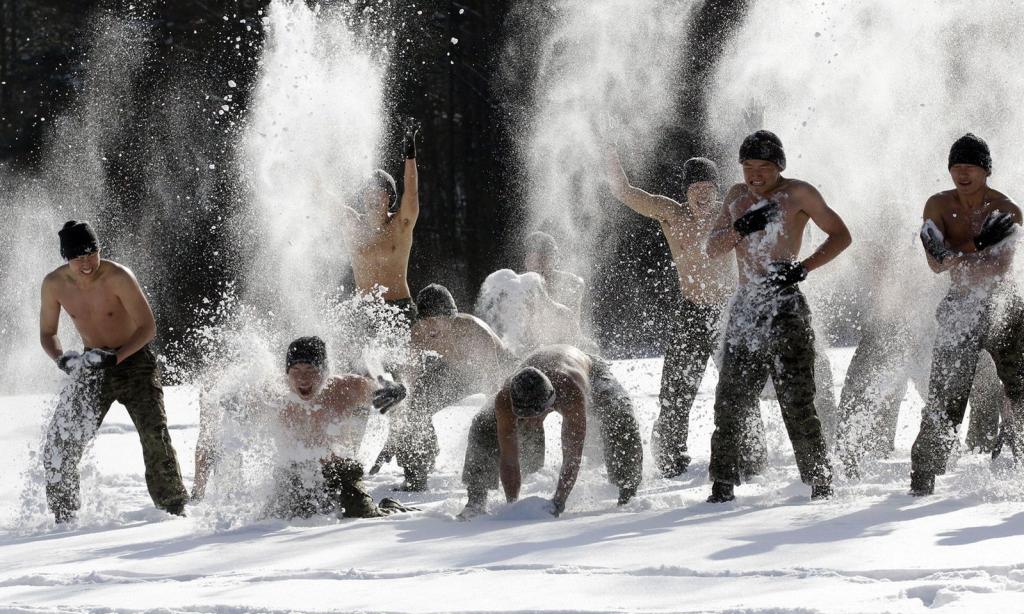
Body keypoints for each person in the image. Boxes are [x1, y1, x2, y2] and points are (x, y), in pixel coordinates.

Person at [704, 130, 851, 503]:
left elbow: (841, 235)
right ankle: (721, 485)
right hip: (745, 306)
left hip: (784, 304)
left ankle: (820, 482)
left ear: (779, 167)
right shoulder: (737, 197)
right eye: (747, 167)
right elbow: (711, 249)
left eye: (764, 168)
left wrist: (803, 268)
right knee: (730, 400)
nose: (754, 175)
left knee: (796, 398)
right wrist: (740, 227)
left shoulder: (798, 193)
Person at [39, 221, 189, 523]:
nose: (86, 263)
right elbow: (47, 333)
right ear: (65, 258)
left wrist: (118, 357)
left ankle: (172, 506)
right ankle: (63, 513)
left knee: (153, 433)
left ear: (99, 249)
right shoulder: (54, 284)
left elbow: (148, 328)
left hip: (133, 360)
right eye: (78, 257)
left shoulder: (118, 276)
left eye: (92, 253)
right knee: (60, 439)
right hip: (92, 364)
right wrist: (60, 358)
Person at [606, 149, 734, 477]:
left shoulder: (729, 215)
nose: (703, 198)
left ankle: (748, 456)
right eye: (696, 191)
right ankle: (670, 460)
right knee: (675, 392)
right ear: (685, 193)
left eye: (709, 190)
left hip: (727, 314)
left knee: (737, 389)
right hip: (690, 312)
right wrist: (610, 151)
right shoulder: (671, 214)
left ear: (718, 191)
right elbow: (624, 192)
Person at [910, 134, 1024, 496]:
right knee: (945, 394)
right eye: (956, 167)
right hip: (960, 305)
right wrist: (975, 246)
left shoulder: (1007, 209)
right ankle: (922, 477)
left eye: (970, 167)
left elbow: (999, 266)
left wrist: (957, 253)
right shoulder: (938, 206)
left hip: (1005, 304)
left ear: (985, 171)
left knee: (1022, 389)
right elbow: (936, 264)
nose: (962, 173)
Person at [193, 336, 413, 518]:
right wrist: (229, 400)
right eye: (295, 371)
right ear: (286, 372)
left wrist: (397, 389)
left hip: (340, 471)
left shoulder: (345, 388)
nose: (303, 379)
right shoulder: (274, 394)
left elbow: (379, 388)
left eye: (310, 370)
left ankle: (388, 505)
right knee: (274, 519)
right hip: (293, 473)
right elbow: (238, 405)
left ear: (325, 371)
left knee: (360, 512)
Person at [458, 344, 643, 519]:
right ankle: (476, 499)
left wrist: (558, 503)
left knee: (620, 415)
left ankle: (628, 493)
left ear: (551, 403)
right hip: (537, 369)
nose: (530, 423)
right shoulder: (506, 398)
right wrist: (512, 506)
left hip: (589, 369)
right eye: (523, 417)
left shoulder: (571, 393)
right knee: (483, 423)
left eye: (535, 416)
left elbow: (572, 456)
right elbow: (509, 458)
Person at [370, 284, 517, 490]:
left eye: (438, 320)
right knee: (414, 405)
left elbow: (494, 386)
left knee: (493, 417)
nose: (431, 327)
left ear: (451, 317)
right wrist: (399, 431)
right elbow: (408, 380)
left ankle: (516, 464)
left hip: (499, 370)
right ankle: (418, 468)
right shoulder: (418, 334)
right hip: (456, 371)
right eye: (426, 320)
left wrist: (494, 438)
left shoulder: (474, 333)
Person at [341, 119, 421, 325]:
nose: (374, 199)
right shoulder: (353, 224)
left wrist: (410, 154)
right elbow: (321, 194)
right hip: (364, 311)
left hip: (399, 309)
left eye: (380, 194)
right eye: (369, 194)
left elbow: (411, 195)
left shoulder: (400, 226)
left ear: (390, 199)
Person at [523, 231, 586, 318]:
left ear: (555, 259)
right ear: (526, 260)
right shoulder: (517, 285)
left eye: (544, 258)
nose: (540, 263)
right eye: (536, 259)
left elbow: (572, 320)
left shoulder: (570, 282)